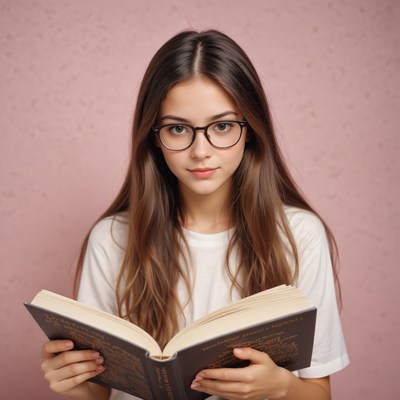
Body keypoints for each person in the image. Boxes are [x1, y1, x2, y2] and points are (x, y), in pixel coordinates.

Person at [40, 29, 349, 400]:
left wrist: (281, 387)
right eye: (177, 128)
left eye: (221, 126)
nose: (200, 151)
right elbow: (99, 393)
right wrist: (73, 383)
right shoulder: (111, 239)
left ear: (250, 129)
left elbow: (319, 392)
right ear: (154, 137)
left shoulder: (299, 235)